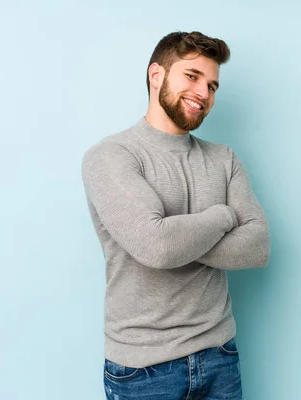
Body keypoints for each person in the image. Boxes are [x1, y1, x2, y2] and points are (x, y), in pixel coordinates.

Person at [81, 31, 271, 400]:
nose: (204, 92)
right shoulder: (111, 156)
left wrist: (171, 236)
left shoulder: (223, 159)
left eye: (213, 85)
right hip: (142, 369)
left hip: (220, 355)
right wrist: (223, 215)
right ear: (156, 75)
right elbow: (158, 247)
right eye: (192, 76)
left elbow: (258, 247)